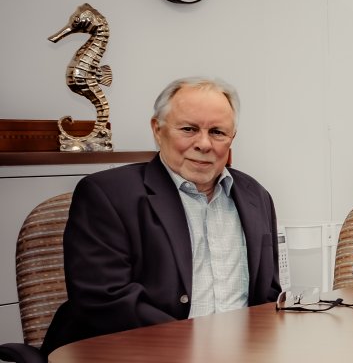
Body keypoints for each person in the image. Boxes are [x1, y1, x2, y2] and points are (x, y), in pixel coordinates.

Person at [42, 77, 281, 354]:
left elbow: (266, 294)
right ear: (157, 129)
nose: (204, 144)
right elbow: (105, 301)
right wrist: (196, 348)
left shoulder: (256, 197)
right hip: (135, 353)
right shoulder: (106, 194)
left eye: (217, 132)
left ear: (232, 139)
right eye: (189, 129)